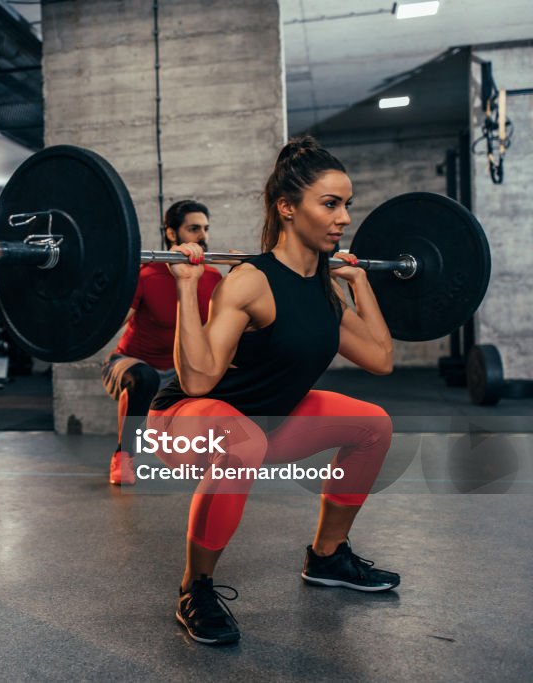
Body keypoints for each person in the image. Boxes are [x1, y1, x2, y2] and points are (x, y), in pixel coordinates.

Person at [149, 137, 399, 645]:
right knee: (243, 441)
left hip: (266, 421)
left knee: (374, 425)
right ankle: (194, 588)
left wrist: (360, 283)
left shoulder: (324, 289)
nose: (344, 218)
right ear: (287, 208)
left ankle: (327, 556)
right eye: (330, 204)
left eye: (346, 205)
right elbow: (199, 379)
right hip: (183, 422)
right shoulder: (250, 281)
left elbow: (380, 359)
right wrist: (183, 286)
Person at [101, 200, 221, 485]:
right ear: (171, 233)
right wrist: (116, 280)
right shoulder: (147, 274)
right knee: (143, 378)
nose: (202, 237)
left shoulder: (213, 277)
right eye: (193, 229)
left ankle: (214, 455)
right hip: (132, 366)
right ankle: (123, 456)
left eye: (205, 229)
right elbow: (107, 324)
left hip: (179, 375)